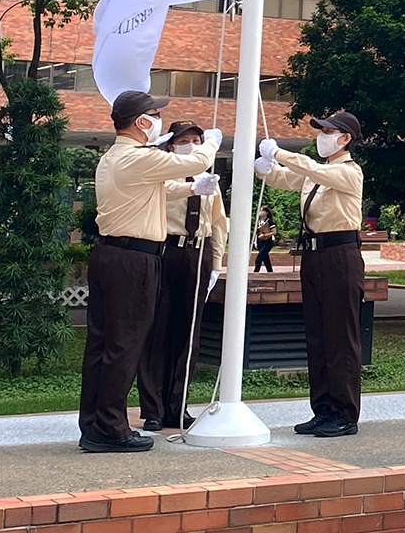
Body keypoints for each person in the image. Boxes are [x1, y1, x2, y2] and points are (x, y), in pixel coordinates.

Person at [79, 91, 220, 452]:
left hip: (110, 254)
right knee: (125, 343)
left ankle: (93, 423)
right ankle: (110, 427)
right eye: (154, 115)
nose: (158, 121)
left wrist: (193, 188)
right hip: (134, 260)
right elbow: (196, 161)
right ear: (142, 122)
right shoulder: (139, 157)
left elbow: (164, 187)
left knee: (102, 343)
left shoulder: (115, 157)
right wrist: (211, 145)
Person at [255, 110, 365, 437]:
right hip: (315, 256)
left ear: (345, 138)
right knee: (318, 336)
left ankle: (344, 413)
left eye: (328, 132)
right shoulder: (319, 173)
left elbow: (310, 169)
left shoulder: (348, 172)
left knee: (340, 336)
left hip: (340, 255)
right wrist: (264, 169)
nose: (321, 136)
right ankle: (323, 409)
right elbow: (288, 178)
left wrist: (279, 153)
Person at [135, 122, 229, 432]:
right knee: (157, 329)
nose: (191, 145)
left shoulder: (209, 180)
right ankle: (153, 408)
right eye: (184, 140)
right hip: (167, 250)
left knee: (189, 332)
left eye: (197, 140)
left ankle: (178, 405)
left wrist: (216, 263)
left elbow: (218, 222)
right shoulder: (162, 174)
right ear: (172, 146)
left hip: (196, 253)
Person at [254, 206, 278, 273]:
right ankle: (270, 272)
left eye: (262, 211)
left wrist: (264, 235)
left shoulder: (269, 222)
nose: (261, 212)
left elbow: (274, 232)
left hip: (267, 242)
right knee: (266, 259)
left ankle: (256, 272)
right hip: (260, 242)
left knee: (258, 259)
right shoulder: (259, 222)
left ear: (266, 212)